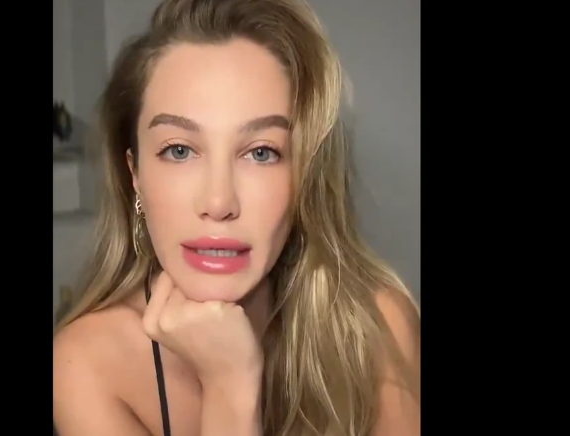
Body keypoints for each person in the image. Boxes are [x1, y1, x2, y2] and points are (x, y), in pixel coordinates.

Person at [52, 0, 420, 435]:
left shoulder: (376, 328)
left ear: (304, 174)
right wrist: (230, 387)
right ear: (135, 175)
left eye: (261, 152)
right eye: (179, 150)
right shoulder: (86, 366)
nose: (218, 201)